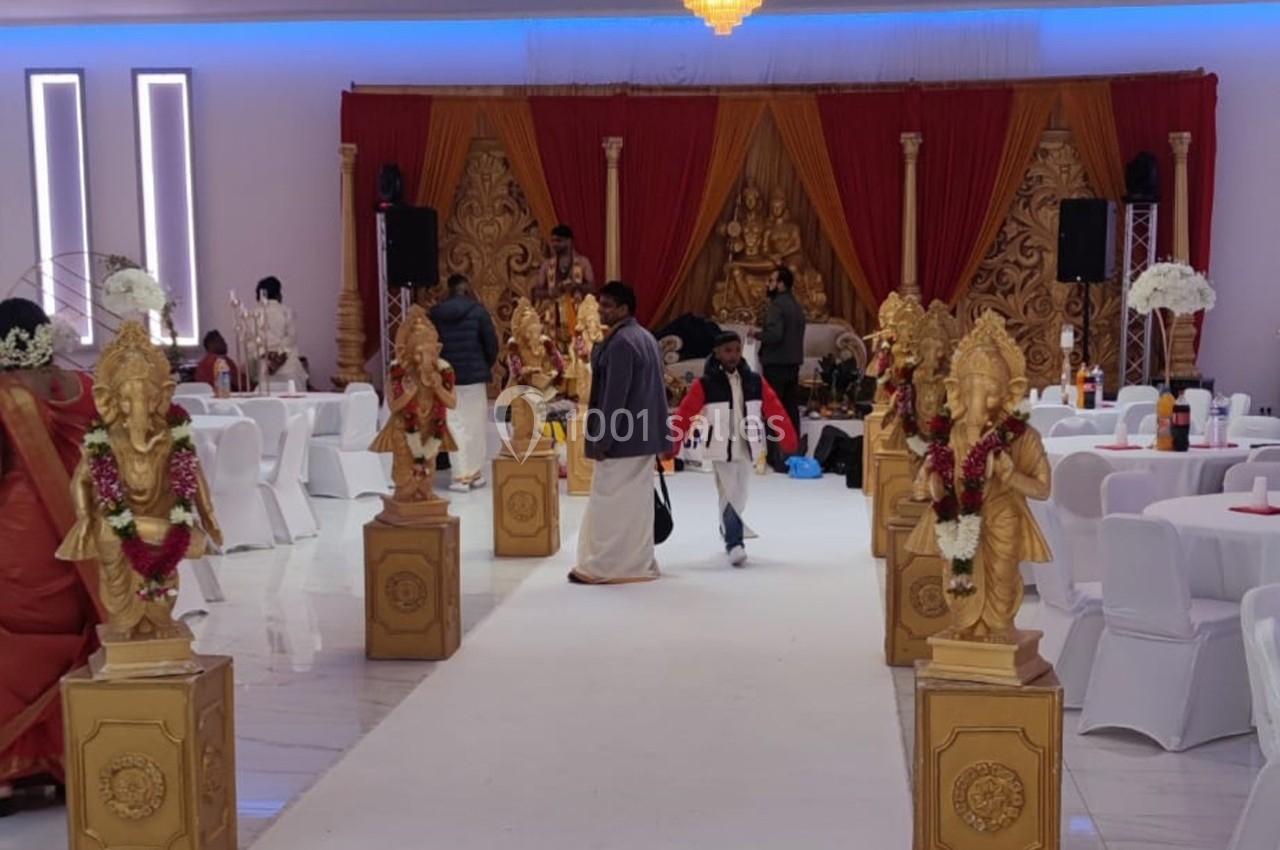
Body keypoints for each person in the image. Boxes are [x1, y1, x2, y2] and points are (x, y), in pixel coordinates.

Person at [0, 298, 102, 815]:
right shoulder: (82, 389)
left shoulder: (5, 397)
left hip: (20, 538)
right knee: (71, 635)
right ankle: (66, 759)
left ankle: (8, 773)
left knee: (13, 640)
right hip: (82, 540)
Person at [668, 332, 797, 567]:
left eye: (737, 350)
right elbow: (684, 415)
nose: (733, 355)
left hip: (748, 446)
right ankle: (734, 543)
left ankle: (726, 525)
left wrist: (787, 438)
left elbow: (774, 409)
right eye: (728, 350)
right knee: (729, 492)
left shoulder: (755, 381)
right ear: (716, 353)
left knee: (741, 493)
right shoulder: (704, 384)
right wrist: (671, 445)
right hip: (720, 446)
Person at [571, 281, 668, 585]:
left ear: (625, 309)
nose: (601, 309)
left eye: (608, 305)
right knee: (634, 505)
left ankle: (606, 566)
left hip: (623, 438)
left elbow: (615, 397)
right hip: (642, 436)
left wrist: (604, 439)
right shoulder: (645, 337)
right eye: (602, 304)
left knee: (610, 501)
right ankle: (636, 564)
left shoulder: (623, 342)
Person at [429, 274, 498, 492]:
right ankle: (474, 473)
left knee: (454, 424)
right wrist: (484, 365)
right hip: (474, 376)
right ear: (467, 290)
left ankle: (459, 476)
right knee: (475, 424)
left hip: (447, 377)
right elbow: (491, 343)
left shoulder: (436, 314)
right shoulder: (478, 312)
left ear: (449, 290)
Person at [754, 266, 805, 469]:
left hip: (776, 364)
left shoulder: (777, 306)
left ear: (781, 284)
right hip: (793, 363)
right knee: (791, 410)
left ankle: (777, 457)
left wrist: (757, 334)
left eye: (772, 281)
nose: (768, 284)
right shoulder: (796, 306)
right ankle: (793, 453)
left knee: (774, 411)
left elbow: (775, 335)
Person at [533, 224, 595, 349]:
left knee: (579, 353)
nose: (554, 244)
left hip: (577, 315)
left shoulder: (583, 262)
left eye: (559, 241)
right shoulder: (547, 265)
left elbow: (593, 288)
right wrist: (553, 292)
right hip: (554, 318)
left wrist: (576, 286)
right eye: (553, 241)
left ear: (569, 241)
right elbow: (536, 292)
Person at [252, 276, 308, 389]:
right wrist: (279, 357)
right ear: (278, 294)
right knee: (295, 404)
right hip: (289, 368)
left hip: (266, 368)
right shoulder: (286, 311)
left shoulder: (253, 315)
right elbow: (290, 338)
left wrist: (268, 355)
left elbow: (252, 343)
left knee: (268, 405)